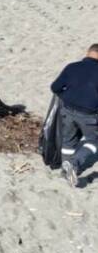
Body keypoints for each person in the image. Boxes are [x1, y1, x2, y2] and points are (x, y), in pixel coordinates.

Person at [51, 44, 98, 187]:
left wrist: (68, 97)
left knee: (69, 141)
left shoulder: (72, 67)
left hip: (67, 109)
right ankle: (74, 164)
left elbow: (55, 87)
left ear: (87, 53)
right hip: (89, 114)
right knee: (94, 141)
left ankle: (65, 172)